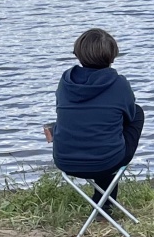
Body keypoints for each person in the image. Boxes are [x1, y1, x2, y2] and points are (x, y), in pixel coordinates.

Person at [51, 28, 145, 204]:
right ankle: (105, 204)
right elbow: (129, 115)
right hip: (107, 161)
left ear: (78, 53)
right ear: (112, 55)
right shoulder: (119, 83)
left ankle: (102, 202)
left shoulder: (65, 82)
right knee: (136, 113)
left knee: (99, 127)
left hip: (64, 160)